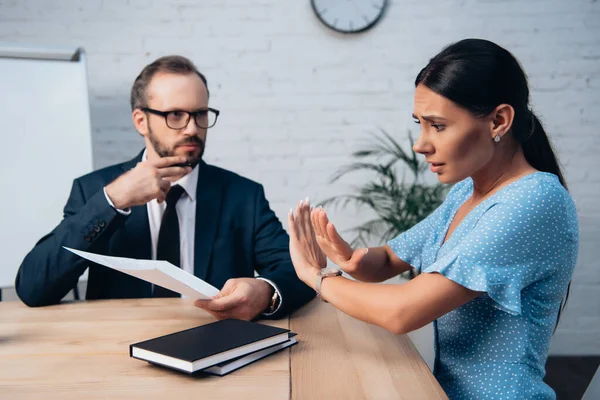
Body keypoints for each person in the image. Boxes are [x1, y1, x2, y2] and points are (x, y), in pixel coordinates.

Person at [287, 39, 578, 399]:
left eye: (437, 126)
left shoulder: (534, 201)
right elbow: (390, 260)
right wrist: (349, 260)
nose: (420, 144)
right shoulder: (466, 193)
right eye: (419, 124)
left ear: (498, 121)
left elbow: (403, 312)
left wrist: (316, 278)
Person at [15, 55, 314, 320]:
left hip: (214, 348)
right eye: (175, 115)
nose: (192, 128)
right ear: (141, 121)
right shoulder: (93, 189)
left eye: (200, 114)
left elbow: (299, 272)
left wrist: (265, 289)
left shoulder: (243, 196)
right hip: (117, 355)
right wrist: (113, 200)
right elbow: (33, 287)